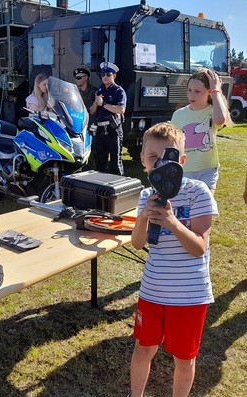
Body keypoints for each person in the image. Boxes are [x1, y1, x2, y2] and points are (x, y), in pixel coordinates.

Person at [127, 122, 218, 397]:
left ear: (182, 160)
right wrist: (144, 215)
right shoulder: (145, 196)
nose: (160, 164)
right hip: (153, 290)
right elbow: (138, 242)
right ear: (143, 161)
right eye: (153, 157)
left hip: (189, 296)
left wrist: (172, 222)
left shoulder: (198, 191)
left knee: (184, 358)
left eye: (169, 157)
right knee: (143, 348)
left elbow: (199, 247)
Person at [171, 67, 233, 194]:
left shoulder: (213, 111)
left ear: (209, 92)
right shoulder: (178, 114)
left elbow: (220, 120)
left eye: (197, 91)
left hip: (208, 170)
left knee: (205, 207)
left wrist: (217, 90)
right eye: (189, 90)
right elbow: (173, 144)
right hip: (185, 170)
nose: (191, 95)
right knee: (187, 208)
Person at [89, 62, 127, 175]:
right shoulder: (99, 91)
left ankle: (119, 185)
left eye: (108, 74)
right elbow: (91, 111)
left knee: (115, 161)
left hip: (113, 129)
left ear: (114, 76)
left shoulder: (118, 91)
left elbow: (121, 109)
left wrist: (103, 103)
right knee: (100, 161)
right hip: (100, 130)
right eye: (103, 74)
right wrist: (96, 103)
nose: (105, 77)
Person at [73, 67, 98, 169]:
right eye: (76, 78)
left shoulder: (94, 92)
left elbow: (93, 111)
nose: (77, 80)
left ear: (86, 78)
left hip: (91, 125)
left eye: (79, 78)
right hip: (78, 125)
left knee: (92, 151)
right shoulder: (75, 93)